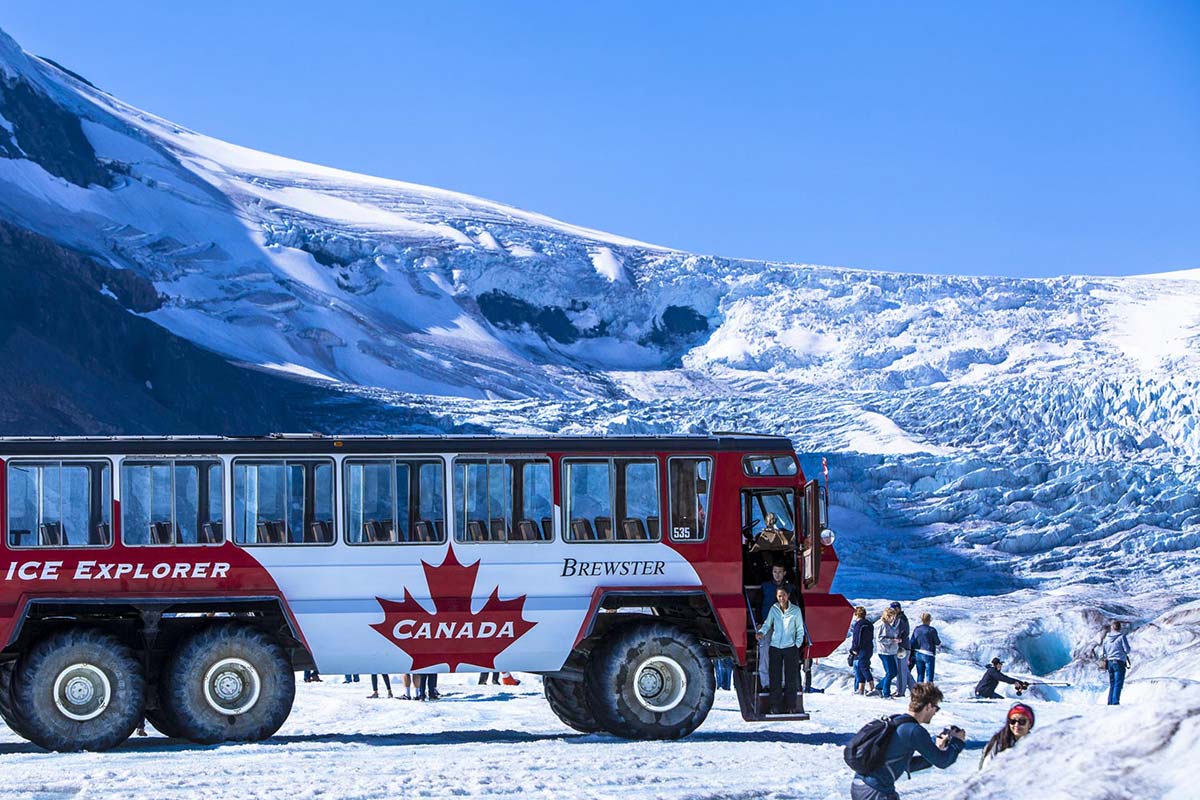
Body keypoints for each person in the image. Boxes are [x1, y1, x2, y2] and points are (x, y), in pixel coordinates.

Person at [849, 682, 966, 800]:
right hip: (876, 792)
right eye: (936, 708)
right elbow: (943, 762)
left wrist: (936, 751)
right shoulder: (914, 730)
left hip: (862, 786)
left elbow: (906, 764)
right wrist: (957, 742)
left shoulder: (898, 720)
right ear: (928, 706)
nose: (936, 713)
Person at [756, 585, 805, 713]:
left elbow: (800, 629)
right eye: (779, 596)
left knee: (790, 678)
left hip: (790, 647)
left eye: (783, 595)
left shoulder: (795, 611)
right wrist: (761, 632)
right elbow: (767, 624)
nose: (781, 598)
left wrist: (797, 644)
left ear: (788, 595)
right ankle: (775, 707)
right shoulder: (774, 609)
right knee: (775, 678)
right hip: (775, 647)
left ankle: (791, 706)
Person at [758, 563, 797, 688]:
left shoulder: (790, 588)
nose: (777, 574)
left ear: (784, 573)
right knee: (765, 652)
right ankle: (766, 683)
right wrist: (759, 622)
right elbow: (759, 604)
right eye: (775, 572)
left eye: (780, 572)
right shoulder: (765, 587)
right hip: (767, 624)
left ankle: (783, 682)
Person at [980, 702, 1035, 769]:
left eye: (1022, 722)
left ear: (1030, 724)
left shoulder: (1035, 744)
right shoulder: (998, 743)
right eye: (1013, 721)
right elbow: (986, 769)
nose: (1016, 725)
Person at [1101, 621, 1132, 705]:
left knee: (1112, 683)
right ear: (1119, 628)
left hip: (1109, 662)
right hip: (1118, 662)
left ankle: (1110, 702)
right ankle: (1115, 703)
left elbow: (1104, 651)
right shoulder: (1121, 637)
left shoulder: (1106, 638)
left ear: (1112, 628)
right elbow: (1127, 650)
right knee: (1118, 683)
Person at [876, 606, 903, 698]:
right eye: (892, 617)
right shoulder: (882, 624)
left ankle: (879, 686)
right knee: (890, 672)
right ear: (887, 616)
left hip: (890, 651)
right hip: (884, 652)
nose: (893, 619)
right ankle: (886, 693)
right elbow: (880, 639)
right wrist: (893, 641)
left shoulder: (888, 624)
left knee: (894, 672)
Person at [849, 606, 875, 695]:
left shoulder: (859, 624)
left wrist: (854, 649)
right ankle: (861, 689)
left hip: (861, 649)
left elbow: (856, 638)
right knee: (862, 667)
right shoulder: (869, 623)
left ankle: (872, 687)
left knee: (863, 667)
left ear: (856, 614)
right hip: (869, 648)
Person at [909, 613, 941, 683]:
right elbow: (937, 642)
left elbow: (912, 641)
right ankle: (928, 692)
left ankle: (919, 692)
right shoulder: (932, 630)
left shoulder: (917, 629)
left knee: (920, 675)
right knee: (929, 676)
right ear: (929, 620)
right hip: (928, 654)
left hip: (918, 653)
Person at [890, 602, 912, 697]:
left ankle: (900, 691)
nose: (892, 610)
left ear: (898, 609)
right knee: (904, 670)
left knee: (901, 670)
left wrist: (894, 639)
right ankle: (915, 690)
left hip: (901, 648)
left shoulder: (900, 619)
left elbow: (899, 632)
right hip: (904, 646)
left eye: (893, 609)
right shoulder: (901, 617)